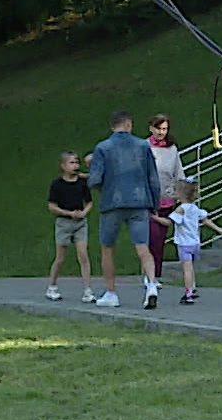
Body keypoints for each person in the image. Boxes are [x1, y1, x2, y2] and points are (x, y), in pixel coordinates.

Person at [88, 109, 162, 309]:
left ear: (113, 127)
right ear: (129, 124)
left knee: (107, 248)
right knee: (143, 248)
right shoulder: (143, 146)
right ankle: (152, 286)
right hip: (139, 201)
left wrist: (103, 188)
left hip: (113, 202)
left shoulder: (103, 148)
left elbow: (94, 179)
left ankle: (111, 293)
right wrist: (154, 204)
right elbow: (153, 179)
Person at [155, 178, 222, 305]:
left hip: (184, 244)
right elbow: (205, 220)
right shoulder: (194, 208)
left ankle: (188, 294)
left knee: (186, 268)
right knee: (191, 268)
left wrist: (155, 218)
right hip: (195, 243)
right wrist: (218, 229)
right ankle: (192, 287)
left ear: (181, 193)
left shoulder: (181, 209)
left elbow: (168, 222)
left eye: (175, 190)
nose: (173, 193)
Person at [44, 150, 97, 303]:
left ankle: (88, 290)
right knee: (60, 257)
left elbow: (89, 202)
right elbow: (51, 206)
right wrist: (68, 213)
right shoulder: (57, 185)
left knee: (83, 254)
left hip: (80, 223)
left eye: (76, 162)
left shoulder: (82, 183)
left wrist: (83, 213)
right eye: (71, 163)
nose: (75, 166)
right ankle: (52, 286)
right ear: (63, 165)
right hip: (63, 223)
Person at [145, 113, 187, 280]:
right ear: (151, 128)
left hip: (167, 198)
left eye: (164, 129)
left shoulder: (172, 149)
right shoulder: (145, 147)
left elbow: (179, 172)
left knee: (160, 240)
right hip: (149, 200)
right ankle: (150, 274)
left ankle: (156, 275)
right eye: (158, 128)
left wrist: (182, 193)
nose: (161, 132)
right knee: (151, 238)